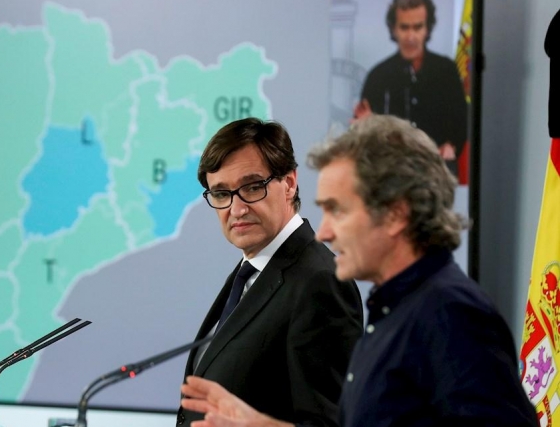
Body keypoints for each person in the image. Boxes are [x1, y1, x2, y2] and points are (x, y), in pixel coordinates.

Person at [180, 115, 538, 427]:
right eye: (222, 193)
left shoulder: (451, 311)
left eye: (338, 210)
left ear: (396, 213)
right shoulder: (394, 310)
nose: (324, 232)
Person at [176, 118, 364, 427]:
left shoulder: (319, 282)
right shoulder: (250, 271)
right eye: (221, 194)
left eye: (252, 187)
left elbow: (329, 422)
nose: (236, 209)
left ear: (289, 183)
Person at [354, 0, 467, 174]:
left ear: (427, 29)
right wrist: (367, 125)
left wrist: (451, 146)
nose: (411, 36)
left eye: (418, 27)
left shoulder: (446, 71)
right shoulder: (378, 76)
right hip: (390, 175)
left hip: (438, 173)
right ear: (394, 29)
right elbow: (364, 132)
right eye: (404, 27)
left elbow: (461, 121)